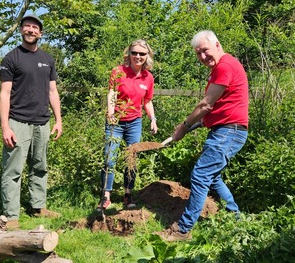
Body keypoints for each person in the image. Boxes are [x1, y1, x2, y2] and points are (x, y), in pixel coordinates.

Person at [158, 30, 249, 241]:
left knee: (200, 176)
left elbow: (206, 104)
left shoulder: (225, 66)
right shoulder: (225, 66)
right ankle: (236, 218)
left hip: (228, 132)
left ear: (217, 44)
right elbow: (219, 107)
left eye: (205, 50)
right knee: (212, 177)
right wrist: (195, 125)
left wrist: (184, 125)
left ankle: (183, 230)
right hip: (229, 131)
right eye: (198, 53)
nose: (202, 57)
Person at [0, 14, 63, 230]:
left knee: (40, 166)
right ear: (21, 30)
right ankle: (11, 215)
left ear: (40, 33)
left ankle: (38, 207)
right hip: (18, 121)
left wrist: (58, 120)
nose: (31, 30)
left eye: (35, 27)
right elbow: (5, 94)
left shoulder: (48, 59)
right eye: (27, 26)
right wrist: (5, 126)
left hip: (42, 122)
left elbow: (53, 91)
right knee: (13, 170)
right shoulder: (11, 58)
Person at [97, 39, 158, 211]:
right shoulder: (118, 71)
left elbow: (147, 101)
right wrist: (110, 114)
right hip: (115, 122)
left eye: (142, 54)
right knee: (110, 159)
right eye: (135, 53)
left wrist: (152, 118)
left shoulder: (148, 77)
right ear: (129, 54)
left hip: (134, 122)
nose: (138, 56)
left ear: (147, 56)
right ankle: (106, 197)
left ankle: (127, 194)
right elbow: (112, 94)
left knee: (131, 159)